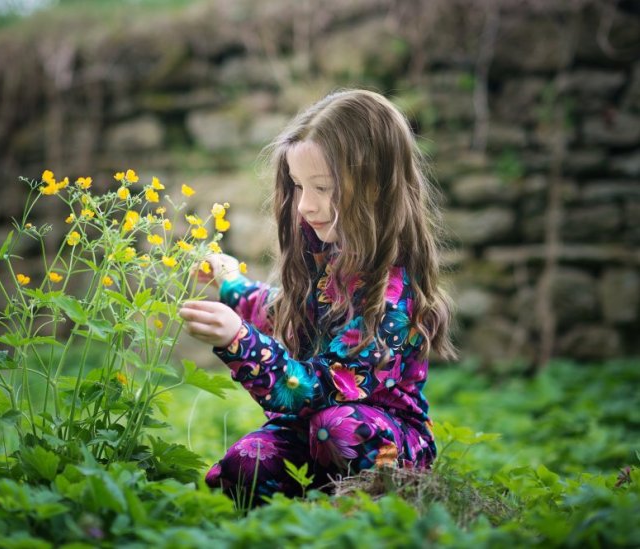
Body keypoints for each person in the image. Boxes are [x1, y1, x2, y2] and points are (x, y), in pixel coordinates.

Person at [178, 89, 457, 507]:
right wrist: (230, 281)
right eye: (297, 186)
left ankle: (384, 503)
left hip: (384, 441)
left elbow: (312, 390)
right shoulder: (324, 255)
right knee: (243, 464)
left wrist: (239, 340)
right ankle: (312, 509)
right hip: (308, 431)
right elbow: (283, 311)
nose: (306, 205)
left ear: (375, 187)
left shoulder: (393, 297)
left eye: (323, 187)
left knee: (337, 427)